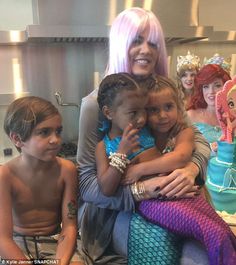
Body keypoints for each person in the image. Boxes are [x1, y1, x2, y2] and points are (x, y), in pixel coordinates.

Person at [77, 7, 211, 265]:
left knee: (203, 253)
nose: (146, 50)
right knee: (163, 246)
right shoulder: (95, 104)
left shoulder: (160, 92)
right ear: (120, 44)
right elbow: (86, 186)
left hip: (167, 197)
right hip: (113, 215)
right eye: (136, 41)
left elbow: (197, 138)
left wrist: (191, 170)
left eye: (153, 43)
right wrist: (141, 190)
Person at [96, 73, 236, 265]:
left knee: (222, 231)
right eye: (151, 110)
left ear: (178, 106)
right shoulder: (109, 144)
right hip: (154, 202)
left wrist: (138, 170)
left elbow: (180, 157)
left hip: (186, 194)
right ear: (108, 113)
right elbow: (106, 188)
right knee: (212, 233)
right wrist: (121, 154)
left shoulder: (161, 132)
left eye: (168, 107)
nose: (160, 116)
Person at [0, 96, 84, 265]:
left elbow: (69, 226)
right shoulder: (5, 175)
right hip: (17, 245)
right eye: (44, 132)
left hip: (56, 241)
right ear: (17, 139)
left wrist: (60, 262)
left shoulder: (67, 170)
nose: (55, 140)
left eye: (58, 131)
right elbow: (3, 238)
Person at [187, 64, 231, 153]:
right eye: (206, 86)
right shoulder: (190, 115)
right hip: (199, 165)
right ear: (201, 89)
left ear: (226, 88)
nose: (211, 92)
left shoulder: (232, 115)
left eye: (217, 85)